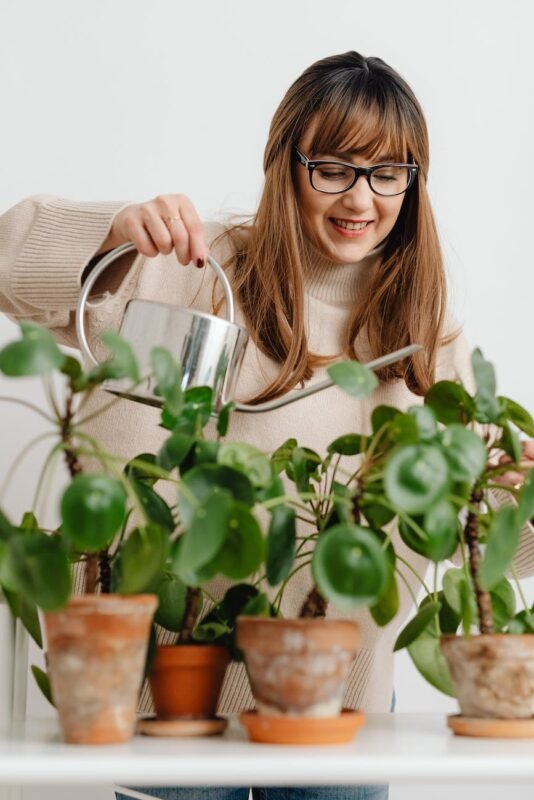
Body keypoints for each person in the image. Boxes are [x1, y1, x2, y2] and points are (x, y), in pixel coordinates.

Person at [1, 51, 533, 800]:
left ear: (414, 183)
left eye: (389, 173)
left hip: (336, 700)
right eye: (335, 168)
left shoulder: (425, 330)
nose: (362, 197)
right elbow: (7, 269)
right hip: (174, 689)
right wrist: (110, 229)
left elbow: (498, 548)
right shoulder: (194, 266)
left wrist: (521, 493)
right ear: (288, 163)